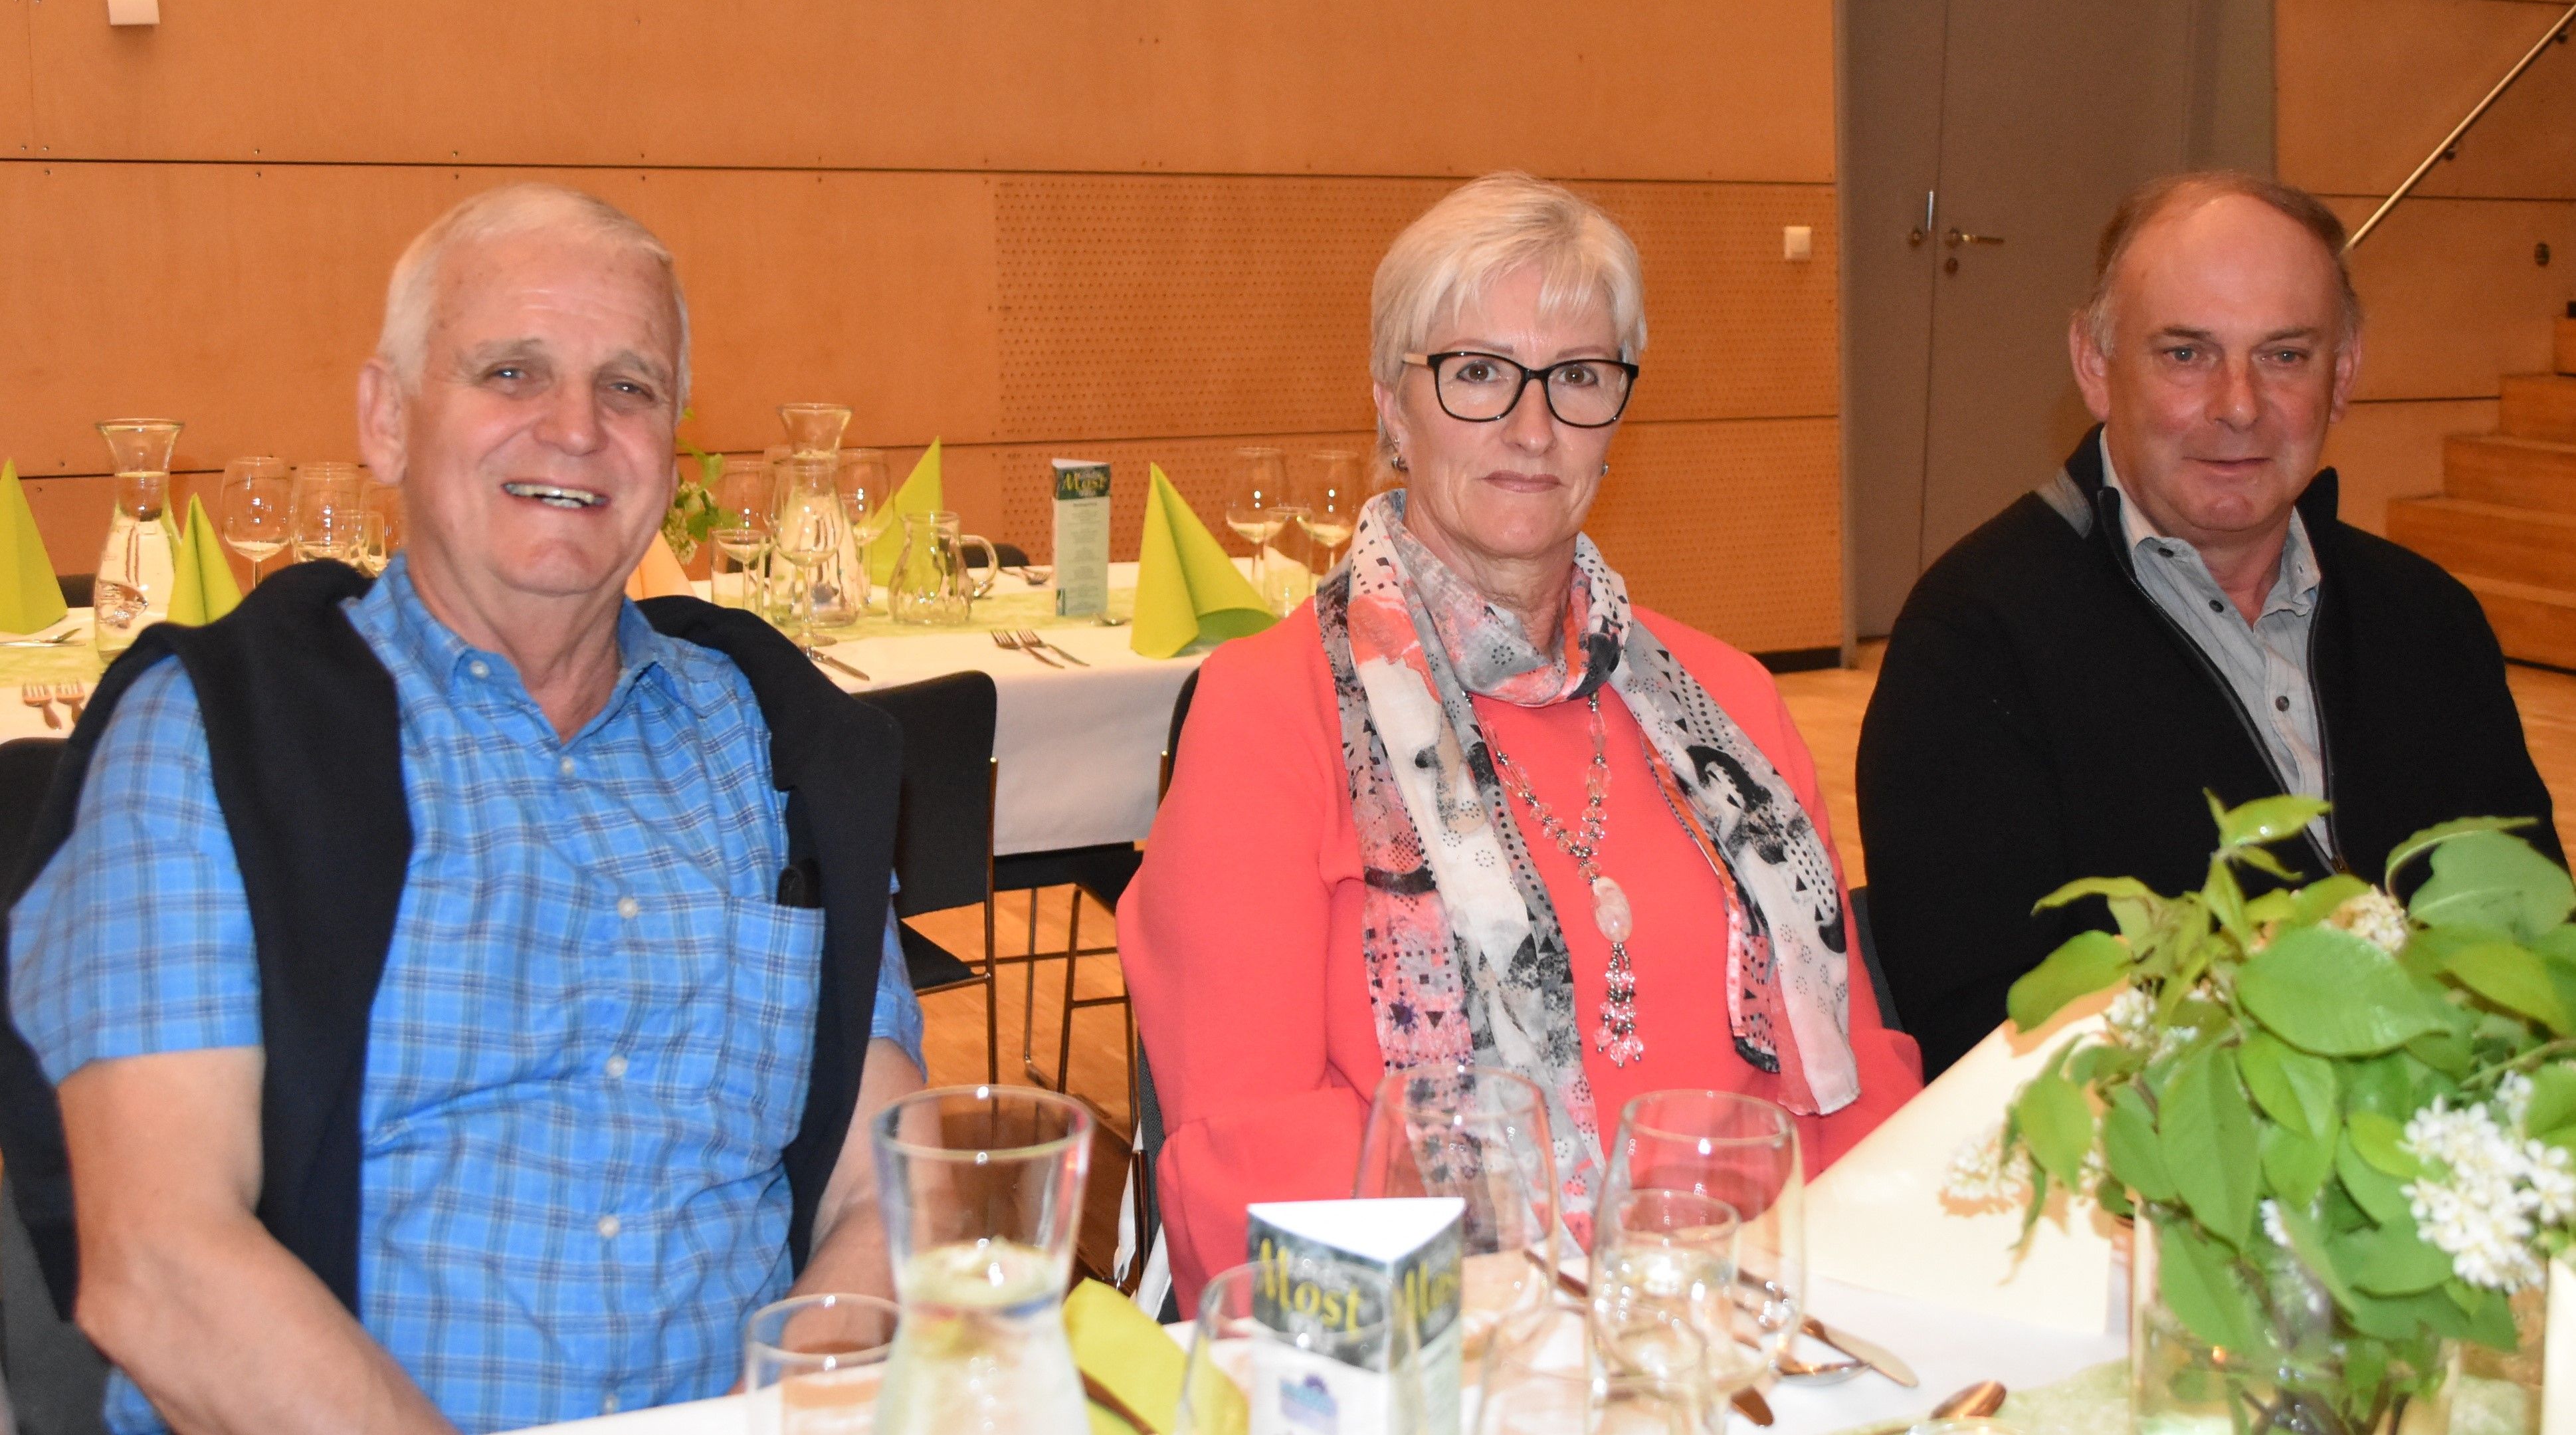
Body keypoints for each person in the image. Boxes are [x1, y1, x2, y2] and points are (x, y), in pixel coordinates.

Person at [0, 183, 925, 1434]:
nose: (576, 428)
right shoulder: (213, 739)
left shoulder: (780, 746)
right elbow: (162, 1264)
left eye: (630, 386)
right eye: (510, 371)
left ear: (672, 446)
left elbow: (888, 1186)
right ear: (386, 420)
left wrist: (788, 1410)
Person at [1120, 171, 1922, 1307]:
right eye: (1478, 373)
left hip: (1751, 1327)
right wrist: (1533, 1341)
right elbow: (1251, 1152)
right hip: (1444, 1342)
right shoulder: (1266, 712)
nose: (1533, 428)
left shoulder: (1729, 704)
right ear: (1391, 408)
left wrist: (1851, 1303)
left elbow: (1848, 1081)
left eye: (1578, 377)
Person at [1858, 171, 2560, 1077]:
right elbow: (1988, 1035)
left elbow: (2539, 938)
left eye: (2285, 355)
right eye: (2186, 354)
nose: (2238, 405)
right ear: (2094, 367)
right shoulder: (1973, 642)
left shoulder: (2426, 620)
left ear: (2343, 374)